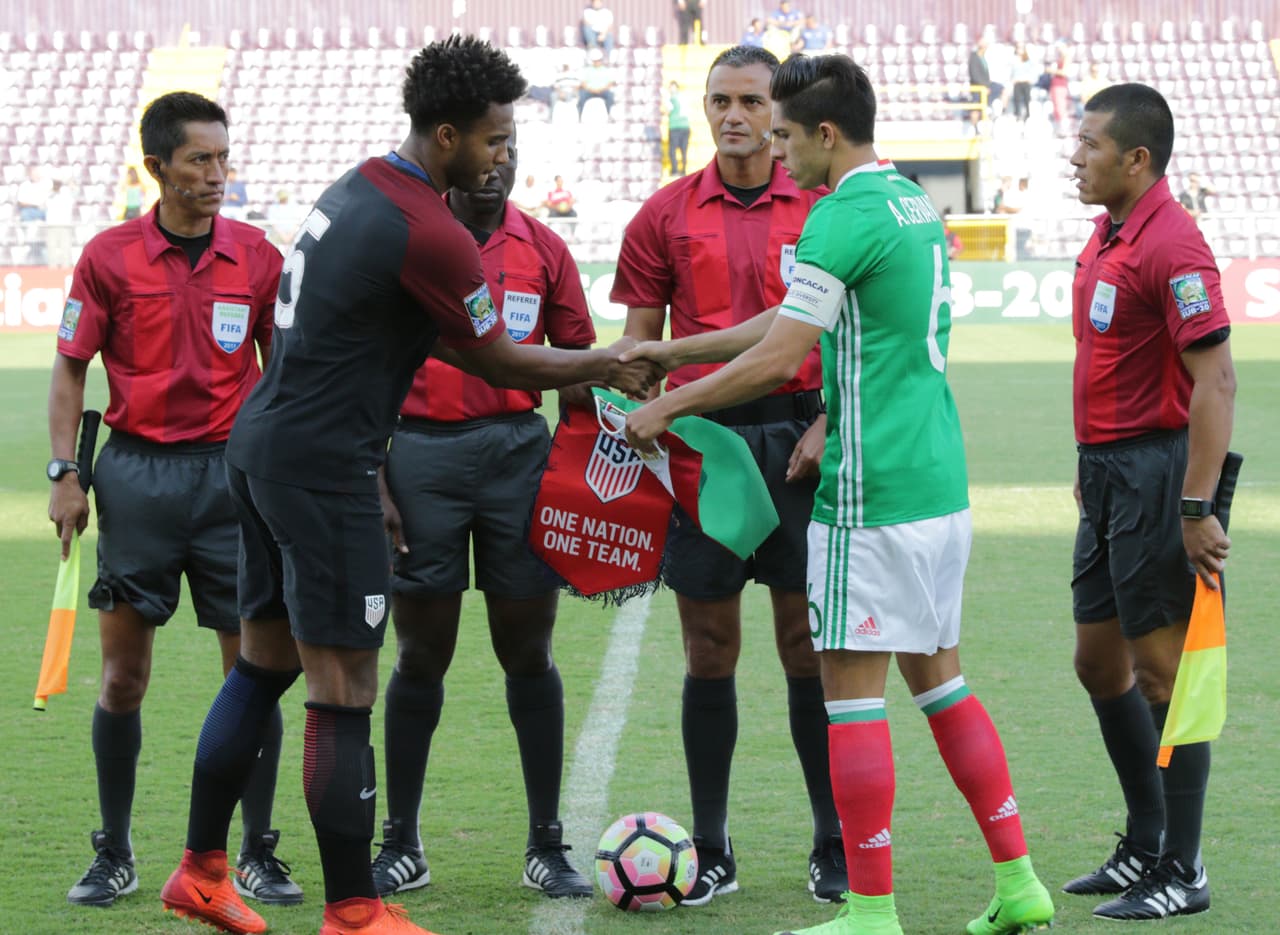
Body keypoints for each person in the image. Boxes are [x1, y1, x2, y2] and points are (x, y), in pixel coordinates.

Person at [157, 36, 657, 935]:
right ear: (447, 132)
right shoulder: (430, 228)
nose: (505, 153)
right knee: (344, 682)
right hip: (324, 470)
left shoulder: (361, 185)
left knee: (266, 660)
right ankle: (355, 910)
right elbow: (496, 355)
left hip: (263, 448)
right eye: (496, 137)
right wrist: (607, 362)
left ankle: (200, 868)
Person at [620, 53, 1055, 935]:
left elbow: (782, 358)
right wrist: (676, 351)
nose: (775, 150)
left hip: (871, 495)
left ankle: (869, 909)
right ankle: (1018, 885)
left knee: (849, 698)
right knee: (943, 685)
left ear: (823, 133)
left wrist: (666, 403)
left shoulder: (837, 216)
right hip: (940, 485)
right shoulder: (907, 205)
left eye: (783, 132)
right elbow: (790, 324)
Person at [47, 91, 297, 914]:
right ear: (157, 167)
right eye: (200, 159)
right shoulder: (107, 256)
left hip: (234, 481)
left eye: (224, 157)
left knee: (254, 670)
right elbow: (70, 367)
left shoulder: (259, 256)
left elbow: (288, 375)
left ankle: (256, 851)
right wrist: (64, 473)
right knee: (123, 675)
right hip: (139, 479)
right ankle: (114, 850)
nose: (218, 174)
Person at [610, 45, 847, 907]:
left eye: (751, 100)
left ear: (775, 108)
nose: (735, 115)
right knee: (709, 648)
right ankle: (709, 847)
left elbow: (855, 339)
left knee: (805, 647)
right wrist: (641, 422)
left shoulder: (824, 205)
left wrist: (829, 420)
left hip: (798, 443)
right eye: (720, 100)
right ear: (702, 108)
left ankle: (832, 841)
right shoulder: (663, 215)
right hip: (703, 445)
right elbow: (638, 352)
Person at [371, 126, 597, 901]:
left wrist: (579, 475)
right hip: (421, 455)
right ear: (457, 160)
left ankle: (546, 842)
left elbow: (577, 365)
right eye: (489, 155)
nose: (500, 168)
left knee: (527, 651)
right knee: (420, 653)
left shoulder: (543, 247)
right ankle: (401, 841)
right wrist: (376, 476)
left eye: (512, 157)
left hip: (515, 454)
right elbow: (365, 370)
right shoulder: (413, 244)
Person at [1064, 82, 1235, 922]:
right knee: (1099, 662)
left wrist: (1197, 503)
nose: (1076, 155)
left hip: (1160, 477)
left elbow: (1217, 379)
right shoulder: (1108, 234)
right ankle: (1144, 841)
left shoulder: (1175, 242)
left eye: (1090, 143)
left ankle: (1185, 867)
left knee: (1166, 673)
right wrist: (1090, 464)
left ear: (1137, 157)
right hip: (1106, 474)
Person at [45, 177, 77, 267]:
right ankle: (52, 269)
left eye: (58, 183)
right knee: (52, 249)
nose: (56, 185)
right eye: (55, 183)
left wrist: (71, 184)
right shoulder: (49, 194)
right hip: (51, 225)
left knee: (65, 248)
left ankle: (66, 268)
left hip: (65, 225)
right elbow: (43, 205)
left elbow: (75, 191)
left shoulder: (66, 192)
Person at [577, 48, 616, 121]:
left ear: (601, 60)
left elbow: (610, 83)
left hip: (602, 90)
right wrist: (591, 89)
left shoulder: (605, 70)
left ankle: (610, 115)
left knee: (610, 96)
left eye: (598, 60)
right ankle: (579, 116)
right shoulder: (587, 70)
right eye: (595, 61)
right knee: (581, 96)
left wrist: (601, 89)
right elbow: (583, 83)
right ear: (592, 61)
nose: (597, 62)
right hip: (589, 90)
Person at [665, 80, 691, 176]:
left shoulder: (671, 98)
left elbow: (668, 110)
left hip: (675, 126)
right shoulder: (684, 97)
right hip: (685, 126)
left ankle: (675, 170)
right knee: (683, 150)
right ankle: (683, 170)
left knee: (672, 150)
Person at [1010, 42, 1036, 123]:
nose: (1020, 50)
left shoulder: (1028, 61)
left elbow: (1032, 74)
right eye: (1018, 48)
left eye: (1021, 48)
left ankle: (1027, 112)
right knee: (1017, 91)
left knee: (1026, 90)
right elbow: (1012, 74)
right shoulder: (1013, 60)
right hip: (1017, 82)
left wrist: (1025, 79)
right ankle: (1017, 113)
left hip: (1025, 82)